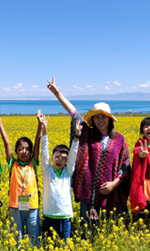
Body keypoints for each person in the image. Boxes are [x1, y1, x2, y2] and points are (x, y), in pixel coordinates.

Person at [47, 78, 131, 235]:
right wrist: (57, 93)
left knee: (106, 231)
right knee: (86, 229)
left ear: (109, 119)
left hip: (110, 193)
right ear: (93, 119)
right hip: (87, 191)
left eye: (103, 116)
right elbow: (73, 112)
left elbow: (125, 165)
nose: (100, 120)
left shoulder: (119, 139)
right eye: (97, 117)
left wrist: (113, 184)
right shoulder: (87, 133)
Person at [0, 110, 42, 246]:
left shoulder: (33, 164)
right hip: (15, 205)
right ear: (16, 151)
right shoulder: (12, 163)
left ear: (31, 152)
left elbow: (38, 143)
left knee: (33, 235)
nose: (24, 151)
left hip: (32, 205)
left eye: (27, 149)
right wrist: (0, 123)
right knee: (16, 236)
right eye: (20, 149)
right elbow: (6, 143)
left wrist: (40, 125)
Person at [39, 113, 81, 241]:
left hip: (65, 216)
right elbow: (44, 150)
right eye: (57, 157)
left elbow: (73, 154)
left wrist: (76, 137)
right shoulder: (47, 170)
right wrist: (44, 130)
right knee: (48, 245)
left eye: (63, 158)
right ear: (52, 158)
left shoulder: (68, 172)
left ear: (67, 161)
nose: (59, 160)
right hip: (48, 215)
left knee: (65, 245)